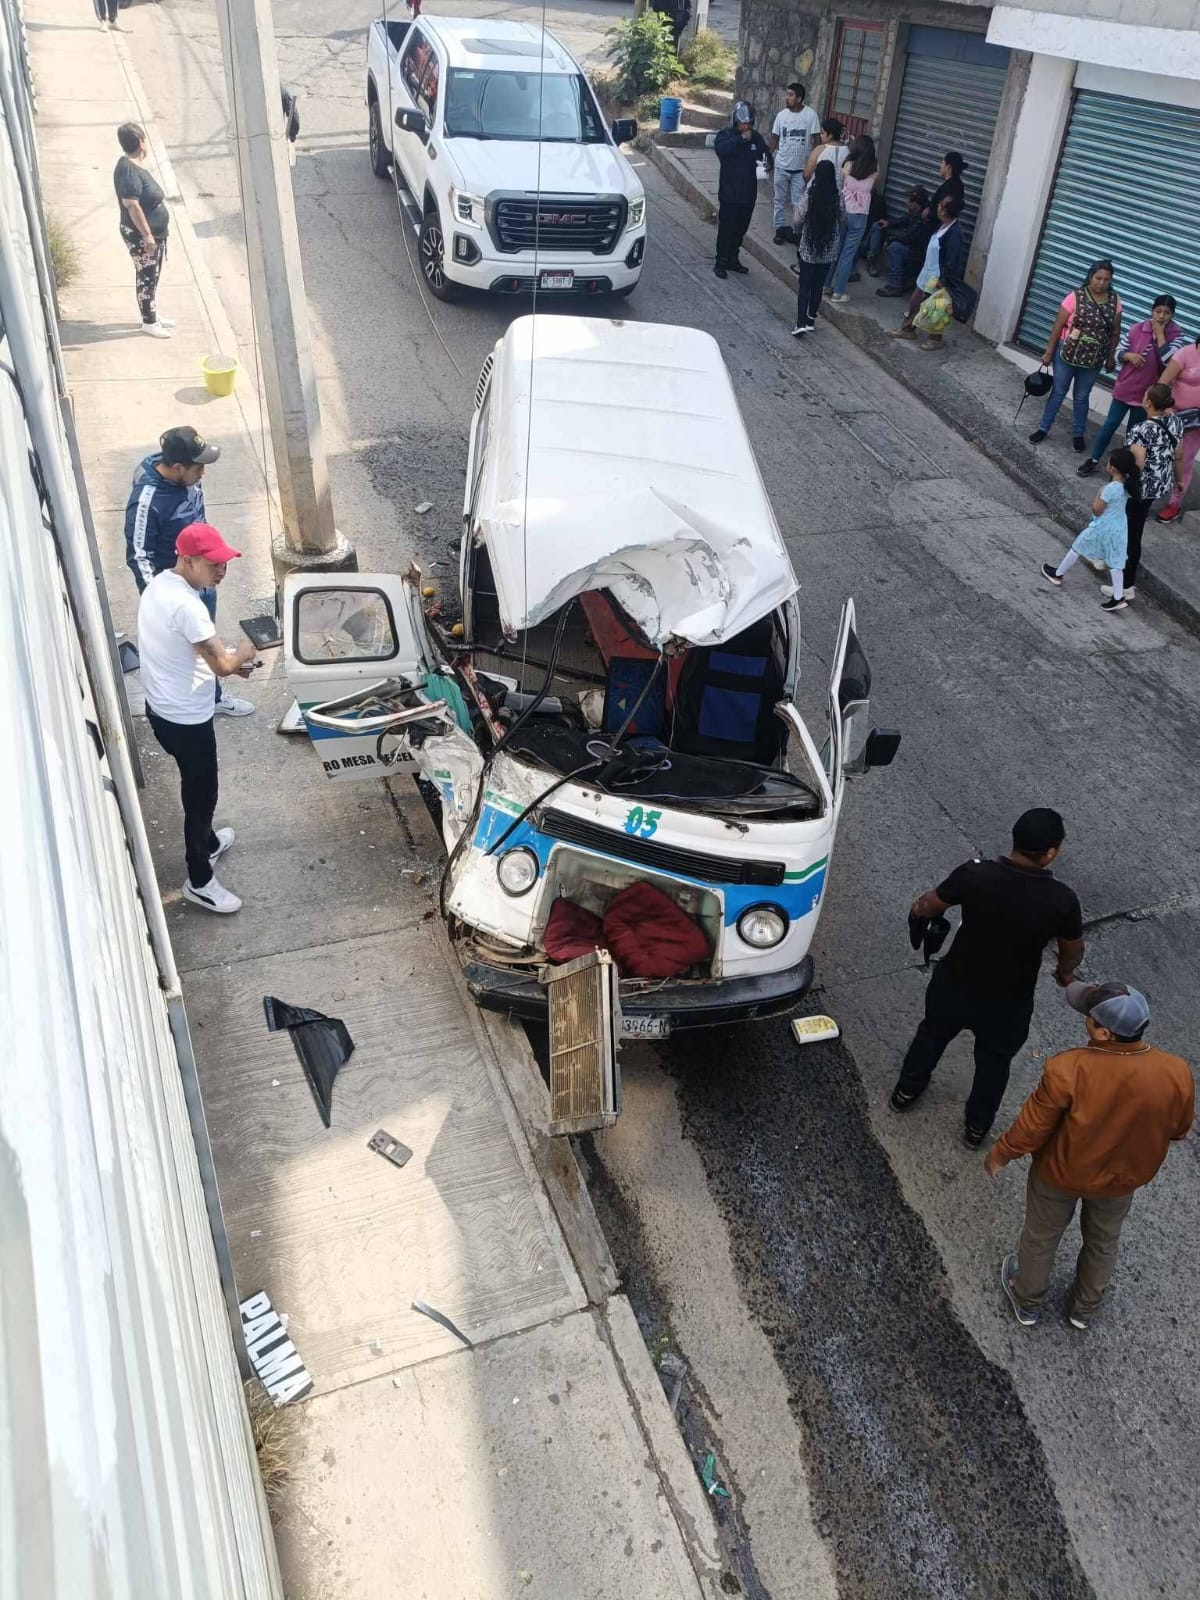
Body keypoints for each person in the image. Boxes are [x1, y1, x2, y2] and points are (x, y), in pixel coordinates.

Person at [987, 981, 1194, 1331]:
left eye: (1088, 1016)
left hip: (1060, 1173)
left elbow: (1033, 1126)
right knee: (1103, 1241)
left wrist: (1003, 1152)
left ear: (1103, 1032)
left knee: (1041, 1236)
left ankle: (1028, 1300)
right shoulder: (1176, 1072)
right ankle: (1083, 1308)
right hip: (1120, 1180)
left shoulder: (1067, 1068)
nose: (1084, 1018)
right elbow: (1179, 1129)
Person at [890, 809, 1084, 1148]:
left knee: (931, 1036)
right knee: (994, 1064)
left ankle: (906, 1091)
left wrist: (918, 912)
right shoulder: (1062, 901)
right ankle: (977, 1127)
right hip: (1009, 1002)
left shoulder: (975, 875)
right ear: (1050, 852)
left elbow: (928, 904)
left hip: (955, 983)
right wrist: (1065, 974)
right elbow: (1072, 949)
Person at [138, 525, 260, 914]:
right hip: (186, 720)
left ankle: (208, 844)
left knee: (198, 790)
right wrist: (242, 653)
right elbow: (222, 665)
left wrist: (226, 663)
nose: (222, 570)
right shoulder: (190, 608)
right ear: (188, 560)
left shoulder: (161, 584)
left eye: (224, 562)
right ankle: (199, 880)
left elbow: (194, 652)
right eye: (214, 564)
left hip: (159, 708)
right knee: (201, 797)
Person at [126, 426, 254, 717]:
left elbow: (200, 519)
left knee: (206, 638)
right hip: (175, 590)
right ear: (177, 467)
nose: (203, 475)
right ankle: (179, 704)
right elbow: (138, 555)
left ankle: (215, 696)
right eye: (199, 468)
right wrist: (161, 600)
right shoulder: (147, 500)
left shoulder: (189, 480)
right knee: (185, 650)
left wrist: (214, 561)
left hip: (202, 580)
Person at [1077, 295, 1185, 475]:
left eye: (1166, 313)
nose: (1161, 316)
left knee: (1134, 432)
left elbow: (1170, 362)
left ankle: (1122, 468)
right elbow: (1119, 352)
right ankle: (1094, 459)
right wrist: (1128, 356)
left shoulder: (1176, 335)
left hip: (1148, 395)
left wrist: (1159, 335)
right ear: (1152, 310)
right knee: (1110, 424)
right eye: (1158, 311)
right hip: (1126, 386)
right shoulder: (1137, 328)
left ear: (1172, 315)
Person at [1028, 261, 1123, 450]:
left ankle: (1078, 434)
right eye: (1098, 278)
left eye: (1106, 279)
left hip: (1093, 359)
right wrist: (1049, 352)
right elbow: (1058, 326)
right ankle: (1044, 428)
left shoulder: (1115, 301)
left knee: (1081, 396)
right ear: (1090, 277)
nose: (1101, 283)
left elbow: (1115, 332)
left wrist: (1111, 356)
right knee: (1058, 392)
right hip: (1067, 354)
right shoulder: (1075, 297)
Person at [1102, 384, 1184, 603]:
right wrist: (1180, 479)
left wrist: (1118, 486)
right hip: (1158, 486)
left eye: (1145, 395)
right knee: (1134, 529)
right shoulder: (1175, 421)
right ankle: (1122, 578)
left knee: (1128, 532)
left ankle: (1125, 585)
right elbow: (1178, 455)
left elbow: (1136, 466)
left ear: (1148, 403)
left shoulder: (1143, 429)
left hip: (1139, 489)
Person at [1039, 447, 1138, 613]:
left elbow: (1097, 510)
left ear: (1113, 468)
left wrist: (1098, 496)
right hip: (1119, 529)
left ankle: (1058, 574)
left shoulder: (1109, 489)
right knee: (1115, 562)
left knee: (1077, 546)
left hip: (1102, 527)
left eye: (1108, 462)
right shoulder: (1127, 487)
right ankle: (1118, 596)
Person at [114, 123, 172, 338]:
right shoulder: (128, 170)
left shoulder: (133, 165)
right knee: (146, 276)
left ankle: (153, 313)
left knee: (153, 274)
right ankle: (149, 321)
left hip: (154, 233)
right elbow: (132, 205)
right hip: (141, 234)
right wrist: (147, 234)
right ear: (140, 143)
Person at [888, 194, 966, 351]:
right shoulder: (943, 226)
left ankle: (935, 338)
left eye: (940, 206)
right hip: (927, 271)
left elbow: (952, 259)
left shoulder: (954, 233)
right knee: (916, 301)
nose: (937, 207)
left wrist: (942, 279)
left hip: (938, 276)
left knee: (936, 308)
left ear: (945, 211)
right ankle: (908, 329)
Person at [712, 103, 769, 280]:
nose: (746, 128)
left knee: (740, 228)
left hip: (748, 193)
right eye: (742, 124)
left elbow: (766, 154)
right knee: (726, 228)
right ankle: (720, 261)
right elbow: (721, 150)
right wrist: (740, 139)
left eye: (749, 124)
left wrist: (768, 163)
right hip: (730, 193)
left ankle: (733, 258)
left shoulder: (756, 138)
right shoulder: (726, 136)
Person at [788, 162, 843, 338]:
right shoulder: (837, 196)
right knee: (818, 285)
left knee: (805, 285)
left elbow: (797, 218)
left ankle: (800, 323)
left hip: (809, 245)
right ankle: (811, 319)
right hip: (829, 246)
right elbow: (843, 216)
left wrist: (797, 232)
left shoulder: (810, 195)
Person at [826, 135, 877, 303]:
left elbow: (841, 184)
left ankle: (826, 285)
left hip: (844, 211)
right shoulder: (875, 167)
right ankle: (838, 293)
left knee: (836, 250)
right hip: (860, 215)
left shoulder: (848, 164)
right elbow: (873, 185)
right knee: (848, 255)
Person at [1154, 335, 1200, 524]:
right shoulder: (1186, 353)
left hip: (1196, 424)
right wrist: (1167, 409)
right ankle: (1148, 491)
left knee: (1185, 461)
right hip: (1175, 417)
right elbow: (1162, 384)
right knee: (1160, 455)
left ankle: (1174, 504)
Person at [768, 83, 820, 245]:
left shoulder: (810, 115)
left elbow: (817, 140)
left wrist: (814, 163)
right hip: (781, 166)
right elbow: (775, 139)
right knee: (779, 200)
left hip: (800, 170)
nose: (787, 98)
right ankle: (779, 229)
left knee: (798, 203)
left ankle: (797, 233)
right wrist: (766, 157)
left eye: (791, 95)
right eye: (787, 94)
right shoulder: (782, 116)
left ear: (799, 98)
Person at [867, 185, 928, 293]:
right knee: (877, 227)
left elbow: (911, 237)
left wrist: (891, 240)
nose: (906, 202)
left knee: (894, 248)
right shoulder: (917, 212)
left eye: (908, 200)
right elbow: (905, 220)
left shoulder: (924, 218)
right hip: (913, 247)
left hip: (918, 251)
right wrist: (888, 223)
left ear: (915, 203)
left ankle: (895, 285)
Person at [802, 117, 849, 187]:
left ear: (830, 135)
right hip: (838, 194)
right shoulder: (847, 151)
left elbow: (806, 174)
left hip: (818, 191)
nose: (820, 135)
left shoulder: (820, 149)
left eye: (823, 133)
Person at [924, 151, 966, 224]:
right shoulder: (953, 184)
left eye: (942, 163)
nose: (941, 166)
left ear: (948, 167)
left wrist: (929, 215)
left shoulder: (952, 187)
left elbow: (945, 212)